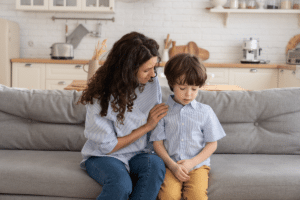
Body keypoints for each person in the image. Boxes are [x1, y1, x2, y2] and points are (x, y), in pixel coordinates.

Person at [77, 32, 169, 200]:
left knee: (155, 165)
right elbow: (108, 147)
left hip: (139, 154)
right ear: (127, 69)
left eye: (154, 67)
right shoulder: (100, 96)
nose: (153, 75)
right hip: (104, 156)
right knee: (120, 185)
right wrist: (147, 126)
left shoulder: (150, 83)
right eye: (146, 70)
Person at [150, 53, 226, 200]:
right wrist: (173, 166)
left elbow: (212, 144)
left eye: (194, 89)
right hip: (171, 165)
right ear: (172, 84)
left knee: (196, 196)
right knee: (168, 196)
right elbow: (157, 144)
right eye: (183, 88)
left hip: (197, 166)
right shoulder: (163, 111)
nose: (189, 94)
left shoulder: (205, 111)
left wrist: (192, 162)